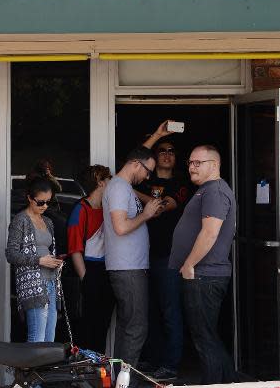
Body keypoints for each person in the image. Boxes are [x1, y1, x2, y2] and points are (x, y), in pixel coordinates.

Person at [168, 145, 237, 385]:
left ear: (215, 165)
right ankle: (230, 381)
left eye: (198, 163)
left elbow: (210, 233)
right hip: (202, 274)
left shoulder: (214, 192)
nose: (191, 167)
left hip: (204, 275)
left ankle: (215, 383)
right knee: (206, 335)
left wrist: (189, 264)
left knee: (204, 337)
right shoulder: (207, 191)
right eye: (190, 162)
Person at [135, 122, 191, 380]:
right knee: (149, 312)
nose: (167, 154)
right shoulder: (144, 180)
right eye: (162, 150)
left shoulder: (181, 183)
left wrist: (130, 190)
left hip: (169, 256)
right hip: (141, 256)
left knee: (170, 311)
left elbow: (163, 207)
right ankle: (152, 359)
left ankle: (171, 364)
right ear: (154, 156)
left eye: (172, 150)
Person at [102, 147, 163, 371]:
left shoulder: (123, 187)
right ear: (136, 164)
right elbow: (120, 227)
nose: (147, 177)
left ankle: (120, 377)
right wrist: (145, 214)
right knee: (136, 327)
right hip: (127, 268)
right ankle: (125, 380)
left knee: (128, 326)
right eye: (147, 171)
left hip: (129, 266)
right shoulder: (119, 187)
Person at [6, 176, 63, 342]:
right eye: (40, 202)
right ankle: (31, 369)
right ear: (29, 198)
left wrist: (55, 260)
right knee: (37, 336)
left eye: (48, 202)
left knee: (49, 336)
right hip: (33, 284)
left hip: (51, 281)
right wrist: (39, 260)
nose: (45, 206)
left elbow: (48, 249)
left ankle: (44, 369)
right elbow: (11, 254)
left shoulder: (48, 221)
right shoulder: (20, 220)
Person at [67, 164, 114, 352]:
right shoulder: (81, 209)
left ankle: (99, 372)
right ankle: (84, 371)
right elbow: (74, 249)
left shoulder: (108, 208)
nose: (112, 181)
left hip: (107, 269)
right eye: (109, 178)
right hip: (90, 270)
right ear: (100, 182)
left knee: (103, 325)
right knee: (89, 325)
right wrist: (85, 279)